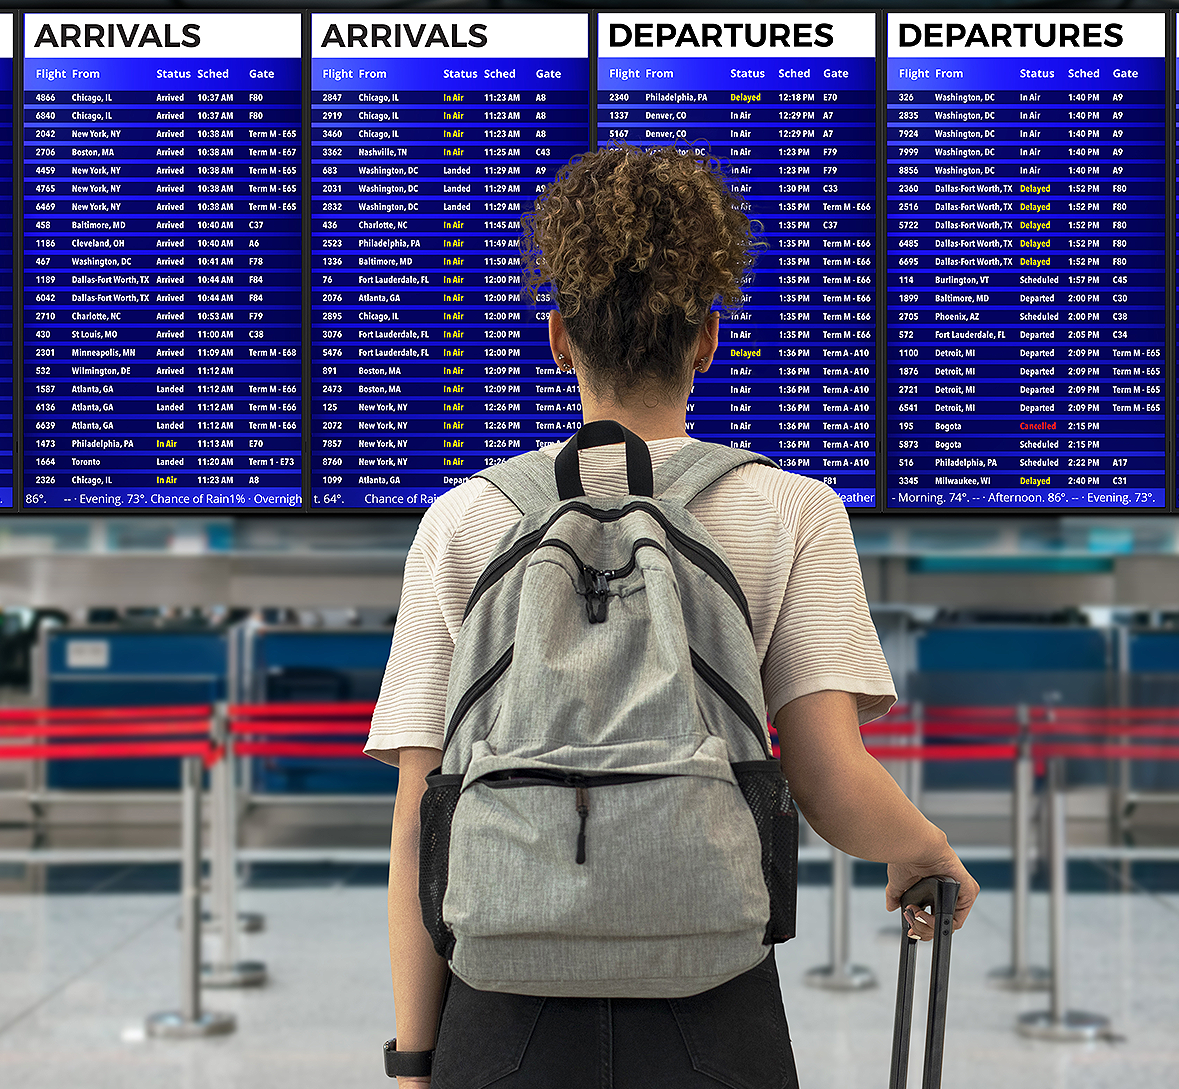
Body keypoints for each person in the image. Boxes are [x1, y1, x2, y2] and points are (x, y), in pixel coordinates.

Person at [365, 144, 979, 1088]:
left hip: (503, 1006)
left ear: (562, 337)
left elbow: (422, 816)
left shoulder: (469, 517)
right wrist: (923, 851)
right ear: (707, 338)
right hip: (714, 1005)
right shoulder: (791, 511)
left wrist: (413, 1061)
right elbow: (826, 777)